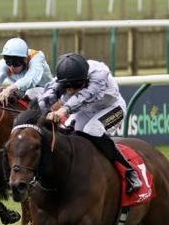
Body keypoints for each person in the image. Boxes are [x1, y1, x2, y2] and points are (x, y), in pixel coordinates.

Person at [37, 52, 141, 194]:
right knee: (68, 131)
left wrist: (63, 110)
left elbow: (84, 96)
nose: (72, 90)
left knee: (92, 130)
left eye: (76, 85)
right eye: (68, 86)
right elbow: (47, 96)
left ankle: (129, 170)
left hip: (112, 108)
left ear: (85, 77)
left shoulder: (99, 74)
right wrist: (41, 111)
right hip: (86, 111)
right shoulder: (66, 76)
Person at [0, 36, 52, 104]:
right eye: (8, 62)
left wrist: (9, 89)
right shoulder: (4, 63)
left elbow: (31, 79)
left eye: (16, 63)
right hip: (20, 92)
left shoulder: (37, 57)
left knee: (30, 93)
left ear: (25, 60)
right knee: (0, 91)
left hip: (46, 91)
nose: (11, 67)